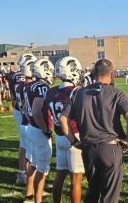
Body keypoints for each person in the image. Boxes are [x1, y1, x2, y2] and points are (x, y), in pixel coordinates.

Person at [60, 59, 128, 203]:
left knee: (93, 191)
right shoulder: (116, 93)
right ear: (112, 74)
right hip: (110, 148)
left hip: (88, 149)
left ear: (93, 73)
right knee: (109, 196)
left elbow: (63, 119)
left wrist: (74, 141)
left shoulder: (78, 93)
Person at [43, 56, 85, 203]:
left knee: (60, 174)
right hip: (74, 136)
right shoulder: (77, 91)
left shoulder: (50, 92)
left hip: (60, 136)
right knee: (76, 179)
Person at [23, 59, 54, 203]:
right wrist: (45, 128)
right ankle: (38, 200)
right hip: (38, 130)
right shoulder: (42, 86)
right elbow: (36, 110)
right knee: (42, 169)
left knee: (34, 164)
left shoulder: (28, 86)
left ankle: (28, 195)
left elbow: (24, 108)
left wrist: (32, 123)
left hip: (31, 128)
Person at [11, 54, 37, 186]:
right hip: (25, 113)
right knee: (30, 147)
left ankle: (21, 173)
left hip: (18, 109)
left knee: (24, 144)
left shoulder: (15, 77)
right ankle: (29, 180)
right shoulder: (27, 82)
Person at [16, 59, 36, 201]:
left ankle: (21, 175)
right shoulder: (31, 87)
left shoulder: (19, 85)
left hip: (23, 121)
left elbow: (21, 106)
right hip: (29, 123)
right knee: (32, 157)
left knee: (23, 148)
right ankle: (30, 189)